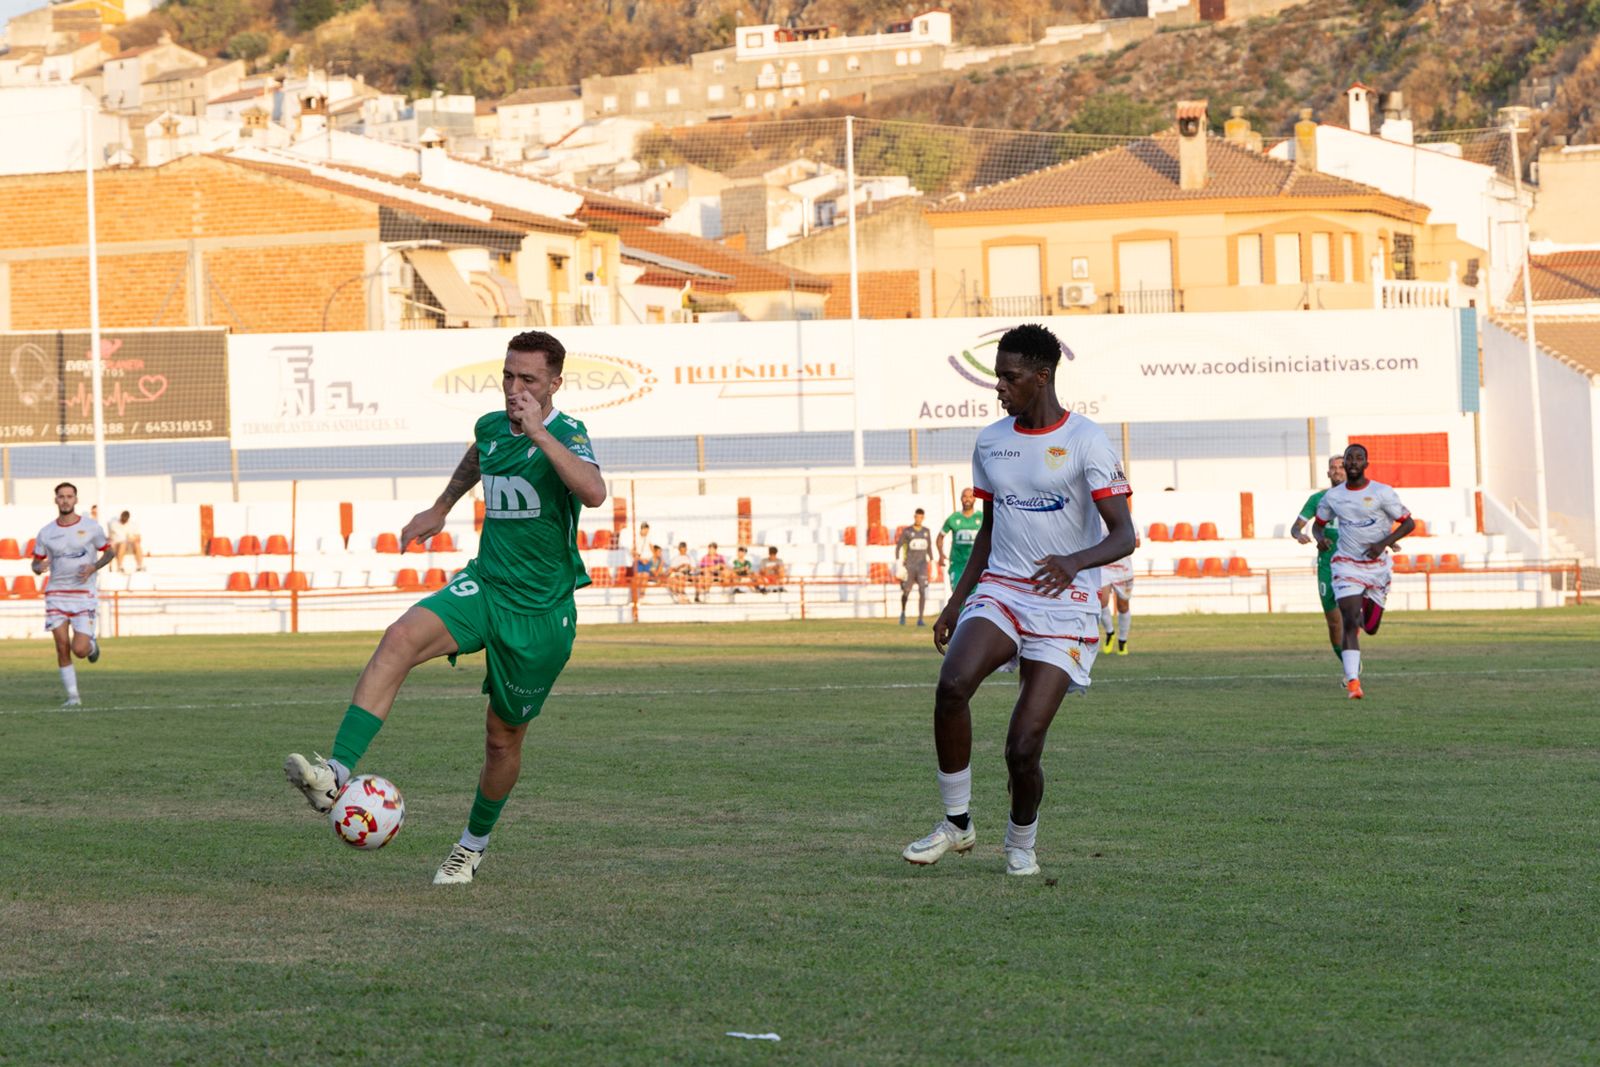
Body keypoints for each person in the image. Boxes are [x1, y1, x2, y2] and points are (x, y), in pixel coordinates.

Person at [283, 331, 606, 885]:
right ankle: (334, 773)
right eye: (508, 375)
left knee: (502, 739)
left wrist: (539, 435)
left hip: (540, 614)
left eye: (527, 379)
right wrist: (440, 507)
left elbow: (595, 491)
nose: (514, 388)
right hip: (486, 585)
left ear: (555, 383)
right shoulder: (490, 425)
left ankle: (471, 846)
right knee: (400, 637)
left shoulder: (568, 433)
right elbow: (481, 455)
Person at [903, 323, 1134, 878]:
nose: (999, 387)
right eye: (997, 377)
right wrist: (958, 601)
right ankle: (957, 824)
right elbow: (989, 529)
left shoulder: (1087, 441)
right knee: (952, 684)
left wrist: (1074, 562)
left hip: (1065, 602)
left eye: (1008, 377)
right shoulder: (991, 442)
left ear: (1041, 376)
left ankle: (1021, 841)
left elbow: (1125, 534)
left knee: (1022, 748)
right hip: (1002, 589)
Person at [1312, 442, 1416, 700]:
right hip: (1346, 564)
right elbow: (1318, 525)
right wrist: (1320, 538)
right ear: (1345, 464)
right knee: (1348, 620)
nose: (1354, 462)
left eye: (1359, 458)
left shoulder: (1382, 493)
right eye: (1350, 458)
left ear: (1366, 464)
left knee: (1370, 627)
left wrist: (1383, 543)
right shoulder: (1333, 497)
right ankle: (1353, 682)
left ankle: (1366, 608)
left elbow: (1409, 523)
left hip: (1378, 567)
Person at [33, 482, 113, 706]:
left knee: (79, 650)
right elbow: (35, 562)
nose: (65, 500)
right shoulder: (46, 532)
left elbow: (110, 552)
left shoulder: (91, 527)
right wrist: (38, 568)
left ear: (76, 500)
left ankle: (91, 646)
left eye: (69, 496)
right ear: (56, 500)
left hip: (83, 595)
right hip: (56, 595)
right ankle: (73, 697)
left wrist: (93, 567)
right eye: (61, 496)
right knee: (61, 646)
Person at [1290, 455, 1348, 666]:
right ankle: (1348, 663)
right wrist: (1300, 535)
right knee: (1334, 624)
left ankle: (1352, 662)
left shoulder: (1360, 497)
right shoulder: (1318, 499)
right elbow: (1296, 527)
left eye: (1341, 467)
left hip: (1353, 566)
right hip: (1327, 567)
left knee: (1350, 617)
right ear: (1328, 473)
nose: (1337, 470)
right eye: (1333, 468)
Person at [1097, 530, 1140, 655]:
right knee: (1101, 602)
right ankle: (1110, 633)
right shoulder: (1097, 517)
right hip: (1103, 567)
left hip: (1123, 570)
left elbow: (1137, 542)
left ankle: (1123, 640)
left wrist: (1118, 541)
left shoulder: (1129, 518)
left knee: (1123, 606)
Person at [937, 488, 982, 590]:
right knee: (958, 597)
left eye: (970, 497)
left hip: (976, 565)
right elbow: (939, 538)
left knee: (974, 598)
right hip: (957, 564)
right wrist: (940, 554)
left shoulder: (981, 517)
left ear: (975, 499)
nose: (967, 499)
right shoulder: (953, 518)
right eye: (965, 496)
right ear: (961, 499)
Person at [896, 509, 934, 626]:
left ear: (923, 518)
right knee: (906, 591)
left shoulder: (926, 532)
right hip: (910, 566)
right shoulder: (907, 531)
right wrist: (899, 564)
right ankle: (903, 613)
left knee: (923, 591)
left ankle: (920, 619)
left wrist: (932, 562)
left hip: (922, 566)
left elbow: (929, 548)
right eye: (917, 517)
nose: (918, 519)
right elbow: (898, 546)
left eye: (921, 517)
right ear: (914, 517)